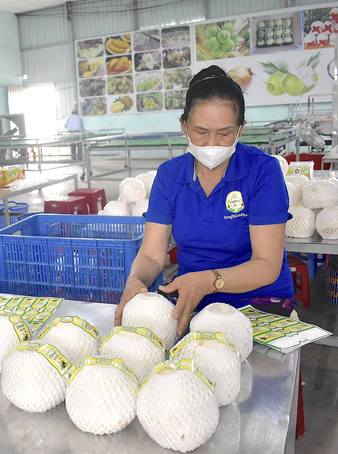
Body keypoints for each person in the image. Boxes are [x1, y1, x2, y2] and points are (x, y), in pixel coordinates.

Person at [115, 65, 294, 336]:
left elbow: (267, 264)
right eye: (201, 132)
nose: (212, 143)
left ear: (241, 129)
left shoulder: (262, 172)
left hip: (258, 305)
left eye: (224, 133)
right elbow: (152, 254)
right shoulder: (170, 175)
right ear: (183, 126)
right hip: (192, 302)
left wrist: (211, 280)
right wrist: (136, 280)